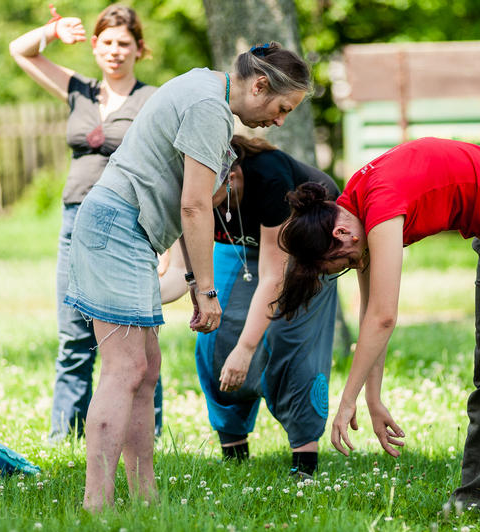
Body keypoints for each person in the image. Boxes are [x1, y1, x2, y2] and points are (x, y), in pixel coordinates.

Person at [276, 137, 480, 517]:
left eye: (342, 264)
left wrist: (346, 401)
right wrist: (372, 399)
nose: (354, 267)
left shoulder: (380, 204)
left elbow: (384, 315)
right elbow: (371, 313)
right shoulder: (355, 204)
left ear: (341, 235)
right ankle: (472, 501)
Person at [63, 42, 311, 511]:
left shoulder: (203, 86)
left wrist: (196, 280)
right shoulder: (208, 108)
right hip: (117, 227)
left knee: (146, 368)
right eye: (282, 108)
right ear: (259, 85)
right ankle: (97, 504)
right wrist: (206, 289)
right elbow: (194, 205)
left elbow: (189, 197)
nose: (279, 122)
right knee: (125, 368)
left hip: (131, 232)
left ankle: (145, 496)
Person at [9, 4, 165, 443]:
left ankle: (144, 433)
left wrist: (167, 246)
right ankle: (65, 436)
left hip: (130, 223)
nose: (115, 51)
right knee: (73, 333)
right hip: (76, 221)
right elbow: (19, 51)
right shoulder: (80, 90)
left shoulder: (151, 100)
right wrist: (54, 31)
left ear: (139, 49)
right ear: (95, 46)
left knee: (135, 333)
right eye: (108, 42)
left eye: (125, 44)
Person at [159, 135, 339, 478]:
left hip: (307, 246)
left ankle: (304, 466)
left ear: (231, 176)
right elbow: (184, 274)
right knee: (215, 339)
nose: (195, 203)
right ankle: (235, 458)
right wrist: (137, 299)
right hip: (245, 247)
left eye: (203, 193)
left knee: (292, 344)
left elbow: (274, 277)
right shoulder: (190, 197)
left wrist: (246, 349)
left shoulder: (269, 178)